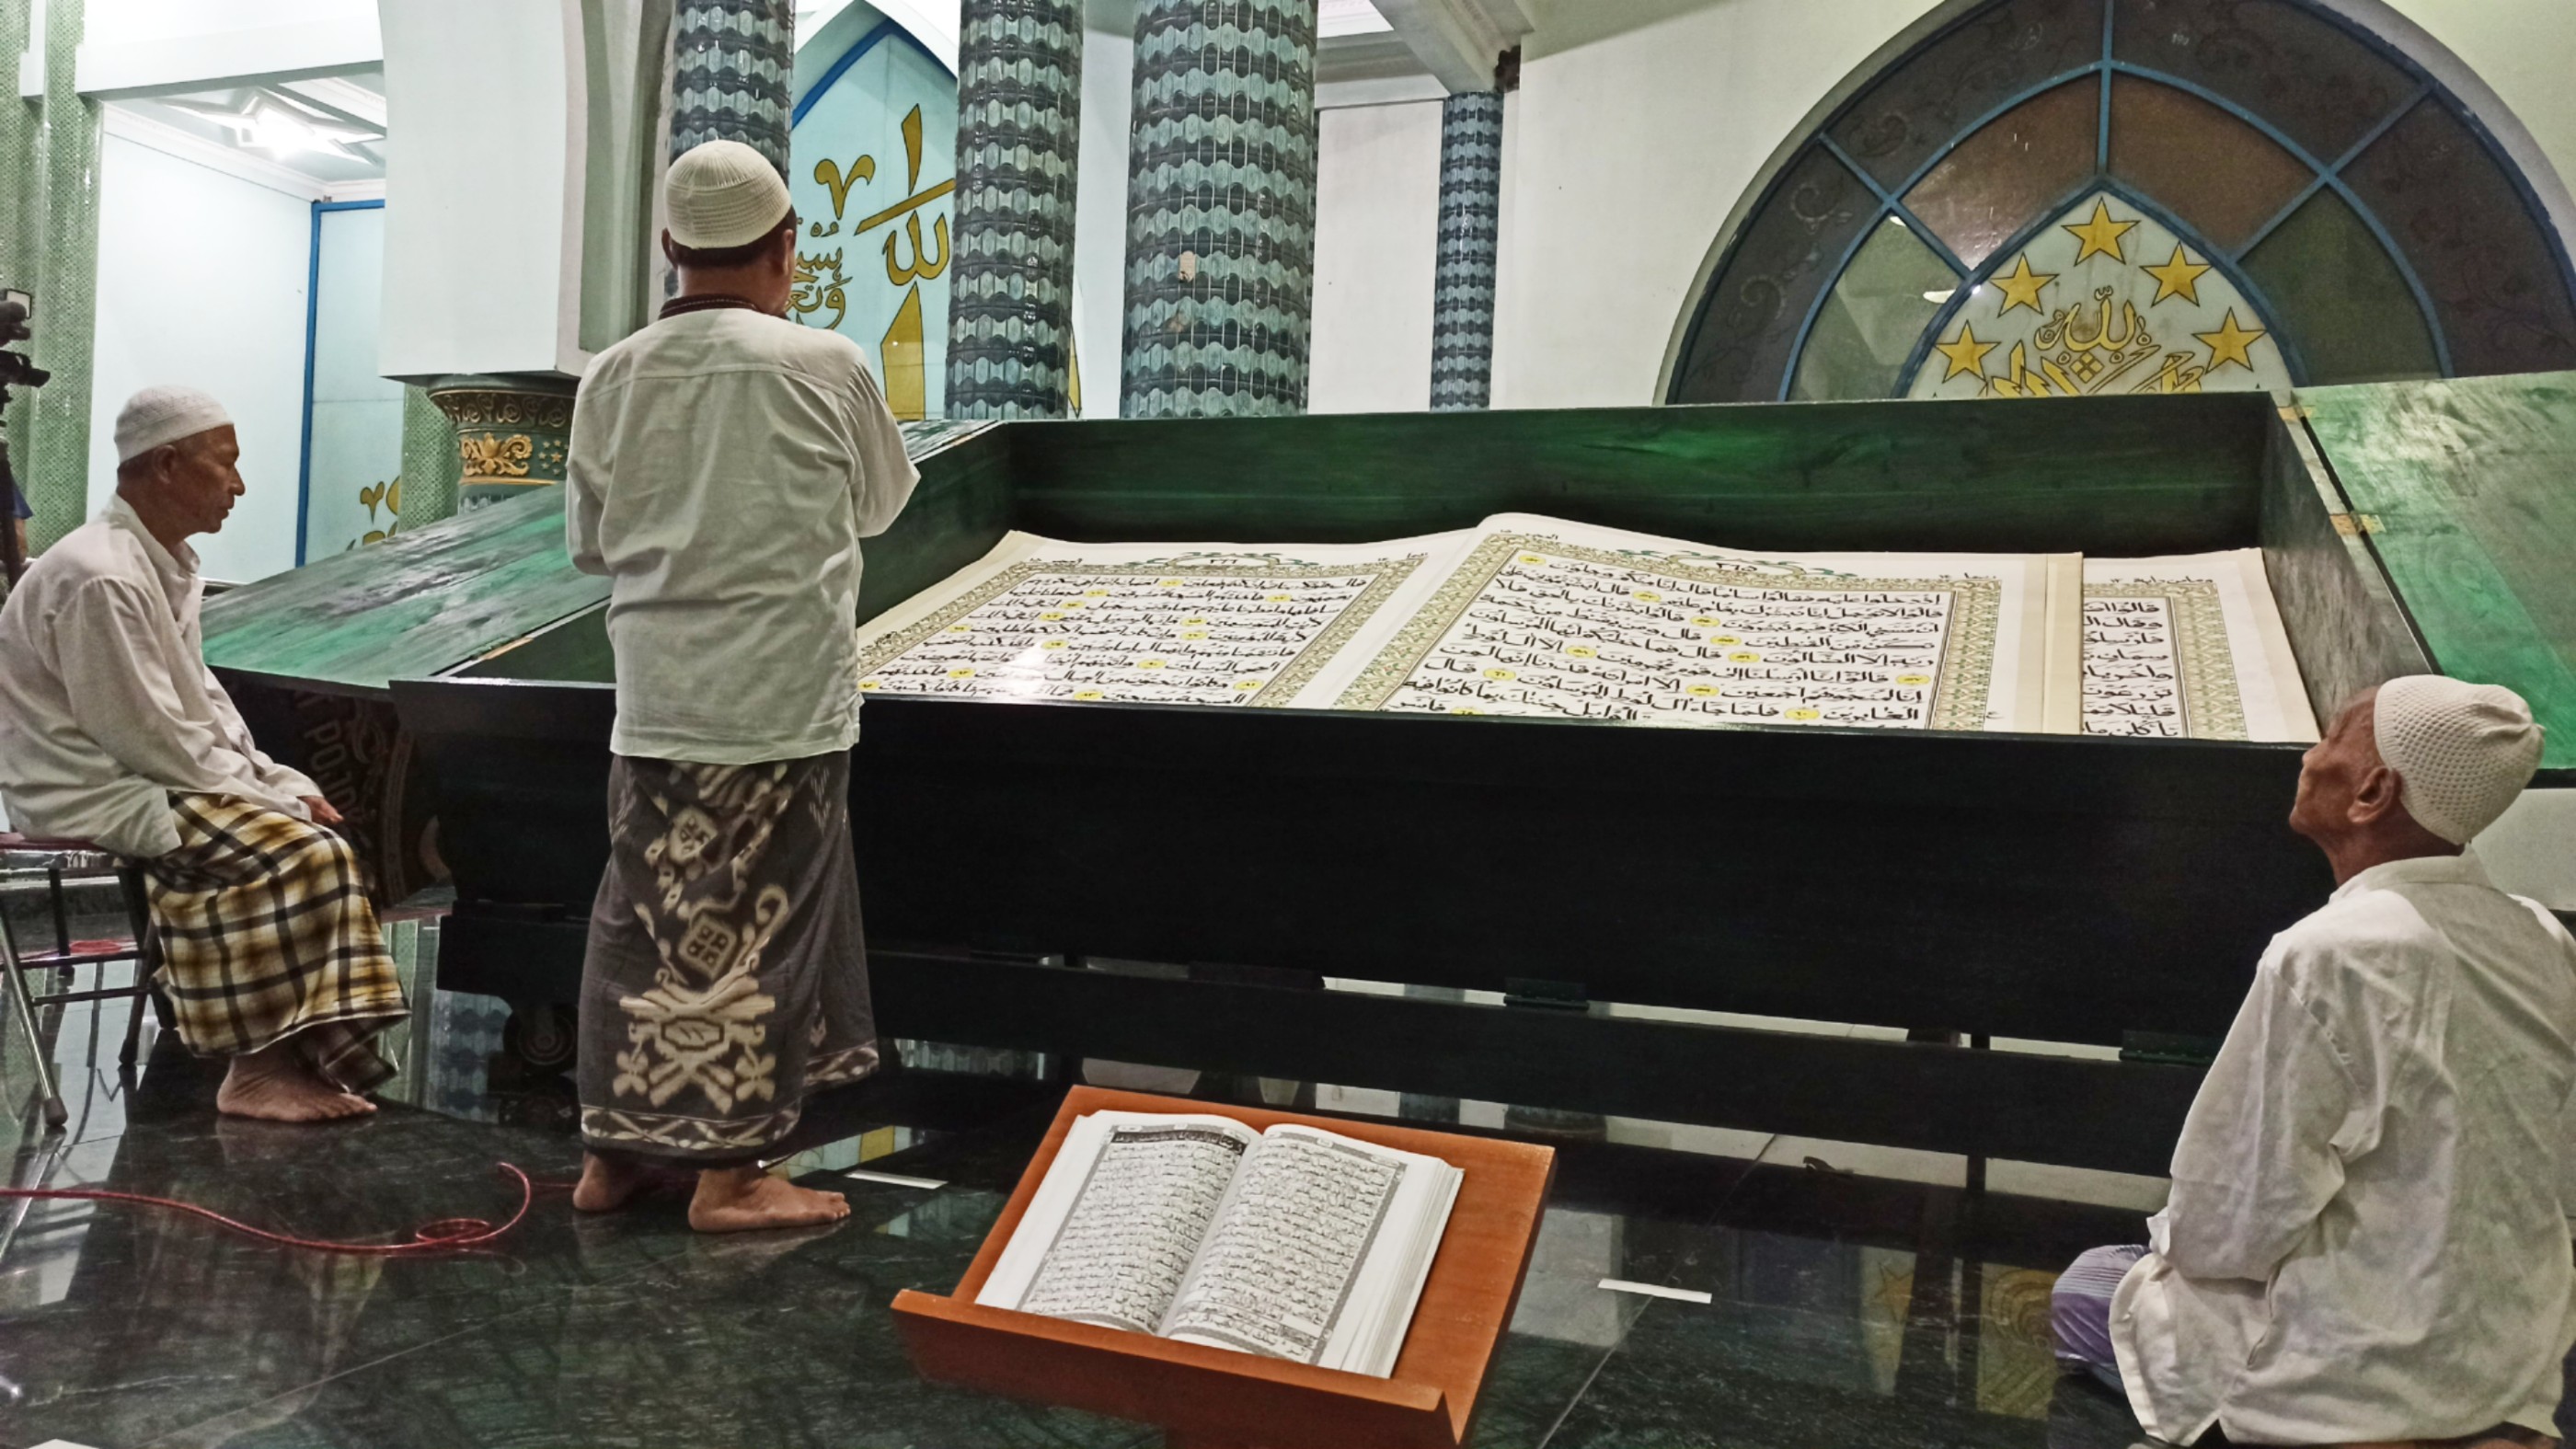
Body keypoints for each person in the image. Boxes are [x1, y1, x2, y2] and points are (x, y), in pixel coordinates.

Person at [2052, 675, 2575, 1447]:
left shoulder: (2331, 952)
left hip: (2358, 1373)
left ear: (2371, 792)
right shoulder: (2541, 935)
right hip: (2508, 1356)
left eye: (2332, 738)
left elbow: (2228, 1219)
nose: (2309, 754)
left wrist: (2171, 1249)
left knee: (2085, 1288)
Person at [564, 139, 918, 1234]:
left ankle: (611, 1161)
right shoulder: (825, 363)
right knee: (764, 926)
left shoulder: (614, 375)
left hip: (656, 699)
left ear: (670, 248)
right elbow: (882, 507)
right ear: (787, 249)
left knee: (643, 918)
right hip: (778, 702)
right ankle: (730, 1177)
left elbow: (588, 545)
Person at [0, 387, 408, 1121]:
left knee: (328, 833)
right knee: (296, 854)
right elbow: (146, 735)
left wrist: (280, 779)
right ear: (165, 465)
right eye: (226, 465)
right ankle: (254, 1071)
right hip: (96, 784)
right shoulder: (102, 574)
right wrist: (271, 802)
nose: (239, 485)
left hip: (149, 771)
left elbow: (202, 705)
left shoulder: (160, 561)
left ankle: (301, 1058)